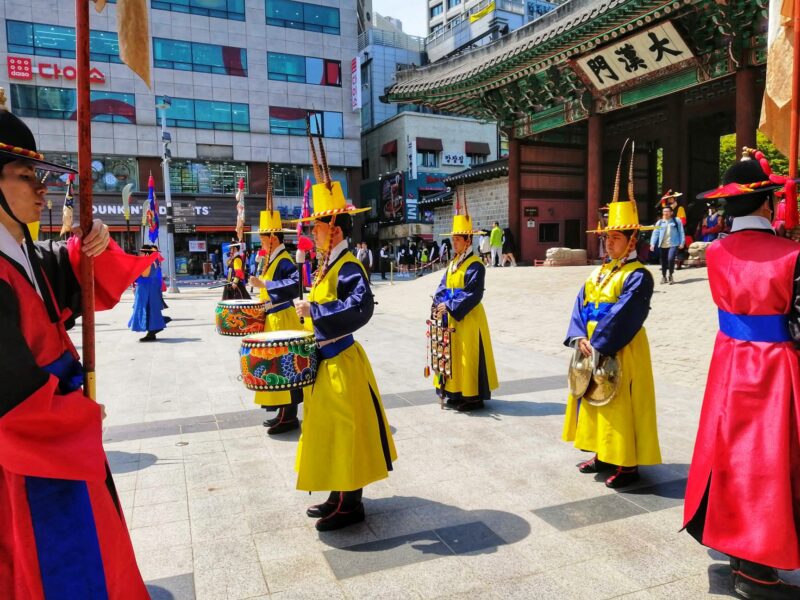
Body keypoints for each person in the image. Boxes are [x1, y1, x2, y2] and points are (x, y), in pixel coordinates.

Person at [0, 107, 151, 597]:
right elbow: (9, 392)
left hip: (62, 427)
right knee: (62, 565)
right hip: (36, 444)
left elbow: (62, 282)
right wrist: (72, 416)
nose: (42, 188)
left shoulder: (19, 246)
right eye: (27, 176)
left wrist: (90, 245)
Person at [684, 154, 800, 599]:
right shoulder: (792, 255)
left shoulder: (715, 252)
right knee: (769, 461)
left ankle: (736, 552)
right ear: (768, 204)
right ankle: (758, 572)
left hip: (729, 359)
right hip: (775, 368)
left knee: (729, 454)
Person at [293, 129, 396, 532]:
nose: (312, 233)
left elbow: (360, 308)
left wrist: (314, 308)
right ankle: (337, 493)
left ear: (333, 230)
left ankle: (351, 503)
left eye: (317, 228)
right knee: (331, 431)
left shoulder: (349, 266)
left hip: (340, 361)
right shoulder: (327, 265)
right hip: (324, 363)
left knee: (345, 430)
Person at [564, 148, 661, 489]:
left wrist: (601, 341)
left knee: (619, 400)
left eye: (616, 238)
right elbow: (581, 303)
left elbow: (627, 313)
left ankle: (627, 462)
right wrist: (580, 337)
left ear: (633, 239)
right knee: (593, 397)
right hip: (591, 345)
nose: (608, 244)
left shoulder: (639, 275)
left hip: (622, 347)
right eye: (606, 238)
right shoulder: (599, 272)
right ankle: (603, 453)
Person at [431, 196, 498, 412]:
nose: (454, 242)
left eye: (458, 239)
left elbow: (473, 293)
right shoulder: (453, 263)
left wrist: (449, 305)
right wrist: (438, 304)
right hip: (452, 318)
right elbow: (443, 287)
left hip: (469, 318)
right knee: (452, 355)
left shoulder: (475, 265)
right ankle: (455, 392)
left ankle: (473, 397)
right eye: (453, 239)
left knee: (468, 355)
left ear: (468, 241)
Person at [246, 205, 306, 435]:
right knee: (278, 368)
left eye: (262, 239)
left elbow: (296, 285)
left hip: (283, 318)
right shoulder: (273, 259)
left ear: (272, 238)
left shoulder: (284, 261)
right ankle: (283, 413)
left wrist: (266, 285)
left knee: (285, 368)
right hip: (274, 318)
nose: (261, 243)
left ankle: (289, 416)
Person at [128, 244, 167, 342]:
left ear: (146, 253)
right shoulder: (154, 261)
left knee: (148, 309)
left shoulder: (148, 262)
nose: (140, 254)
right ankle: (153, 331)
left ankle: (153, 330)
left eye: (142, 252)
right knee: (151, 309)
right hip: (150, 287)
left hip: (147, 288)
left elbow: (145, 274)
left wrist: (136, 268)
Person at [650, 206, 685, 284]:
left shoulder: (677, 221)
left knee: (670, 259)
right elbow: (655, 233)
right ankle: (664, 276)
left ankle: (670, 275)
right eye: (664, 211)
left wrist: (682, 242)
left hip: (673, 244)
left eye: (667, 211)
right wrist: (652, 244)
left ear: (671, 212)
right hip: (662, 245)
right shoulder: (659, 222)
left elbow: (681, 232)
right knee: (663, 261)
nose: (665, 213)